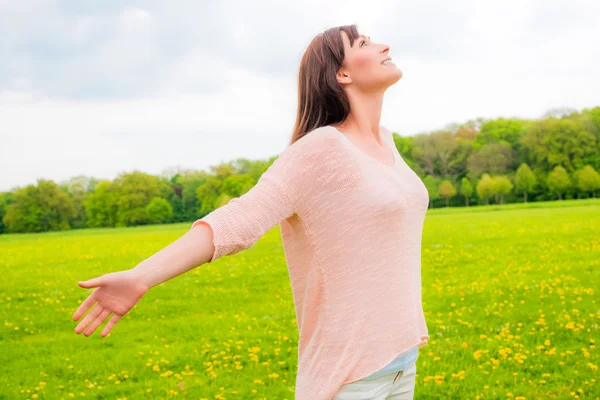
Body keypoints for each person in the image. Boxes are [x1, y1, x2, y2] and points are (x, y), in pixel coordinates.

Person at [72, 24, 430, 400]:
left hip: (399, 364)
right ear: (342, 74)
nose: (383, 45)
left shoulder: (385, 140)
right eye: (364, 43)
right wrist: (140, 277)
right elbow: (241, 219)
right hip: (352, 377)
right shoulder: (322, 148)